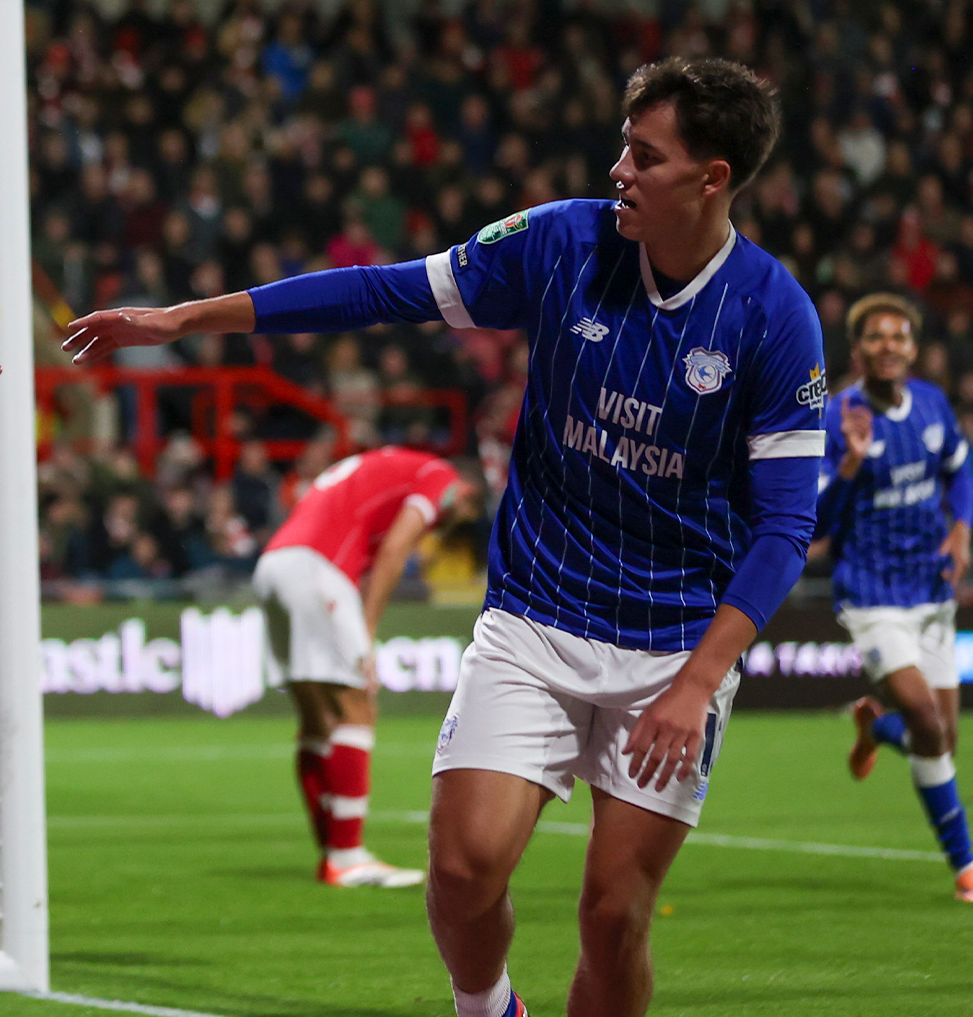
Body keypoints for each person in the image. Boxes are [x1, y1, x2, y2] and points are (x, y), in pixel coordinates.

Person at [62, 56, 824, 1017]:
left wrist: (699, 681)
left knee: (614, 918)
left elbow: (786, 525)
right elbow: (379, 292)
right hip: (537, 617)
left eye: (645, 155)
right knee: (462, 872)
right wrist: (187, 320)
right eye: (624, 147)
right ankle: (488, 1008)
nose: (619, 169)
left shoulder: (774, 317)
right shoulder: (562, 242)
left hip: (672, 647)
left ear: (712, 178)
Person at [256, 447, 481, 888]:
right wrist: (368, 629)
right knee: (357, 706)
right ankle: (347, 857)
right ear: (467, 491)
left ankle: (331, 855)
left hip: (274, 565)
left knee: (317, 720)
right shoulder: (439, 474)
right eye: (459, 515)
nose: (445, 524)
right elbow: (396, 547)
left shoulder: (381, 468)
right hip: (317, 567)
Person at [819, 292, 973, 898]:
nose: (889, 345)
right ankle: (965, 864)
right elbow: (817, 522)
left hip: (931, 589)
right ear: (858, 350)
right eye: (876, 336)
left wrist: (961, 531)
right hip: (872, 593)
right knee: (928, 721)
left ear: (913, 348)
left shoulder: (931, 404)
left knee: (941, 740)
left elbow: (962, 467)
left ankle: (876, 728)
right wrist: (850, 465)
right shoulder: (838, 418)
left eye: (899, 336)